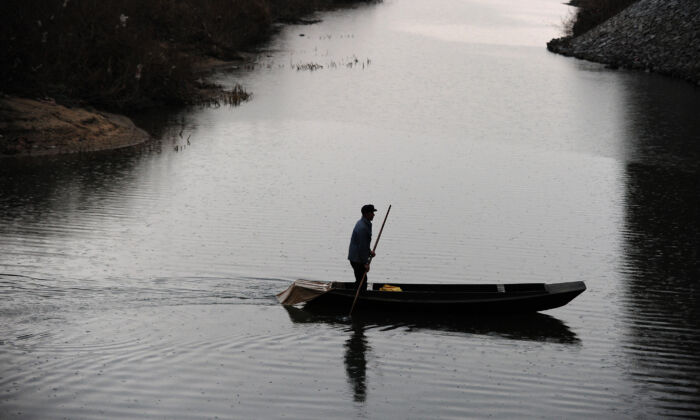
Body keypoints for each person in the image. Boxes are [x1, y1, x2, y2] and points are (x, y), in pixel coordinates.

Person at [348, 204, 377, 292]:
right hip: (357, 259)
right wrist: (365, 263)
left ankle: (356, 293)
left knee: (361, 280)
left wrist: (369, 252)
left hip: (357, 257)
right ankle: (357, 297)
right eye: (372, 213)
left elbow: (363, 244)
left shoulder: (365, 223)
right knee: (362, 281)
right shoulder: (363, 228)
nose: (374, 215)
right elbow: (361, 247)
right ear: (367, 214)